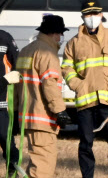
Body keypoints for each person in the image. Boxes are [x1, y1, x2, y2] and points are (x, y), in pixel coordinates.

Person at [61, 0, 108, 178]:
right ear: (82, 17)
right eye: (88, 14)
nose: (92, 18)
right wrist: (78, 84)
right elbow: (67, 68)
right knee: (85, 143)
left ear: (101, 15)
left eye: (95, 14)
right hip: (86, 100)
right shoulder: (74, 43)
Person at [15, 15, 71, 177]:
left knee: (37, 161)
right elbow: (50, 84)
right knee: (44, 164)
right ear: (54, 33)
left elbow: (17, 84)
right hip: (43, 118)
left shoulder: (26, 50)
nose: (61, 38)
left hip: (28, 116)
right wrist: (60, 110)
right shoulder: (47, 53)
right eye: (60, 34)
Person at [0, 29, 20, 175]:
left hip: (1, 106)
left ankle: (12, 172)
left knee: (9, 146)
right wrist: (4, 81)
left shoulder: (4, 37)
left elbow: (17, 63)